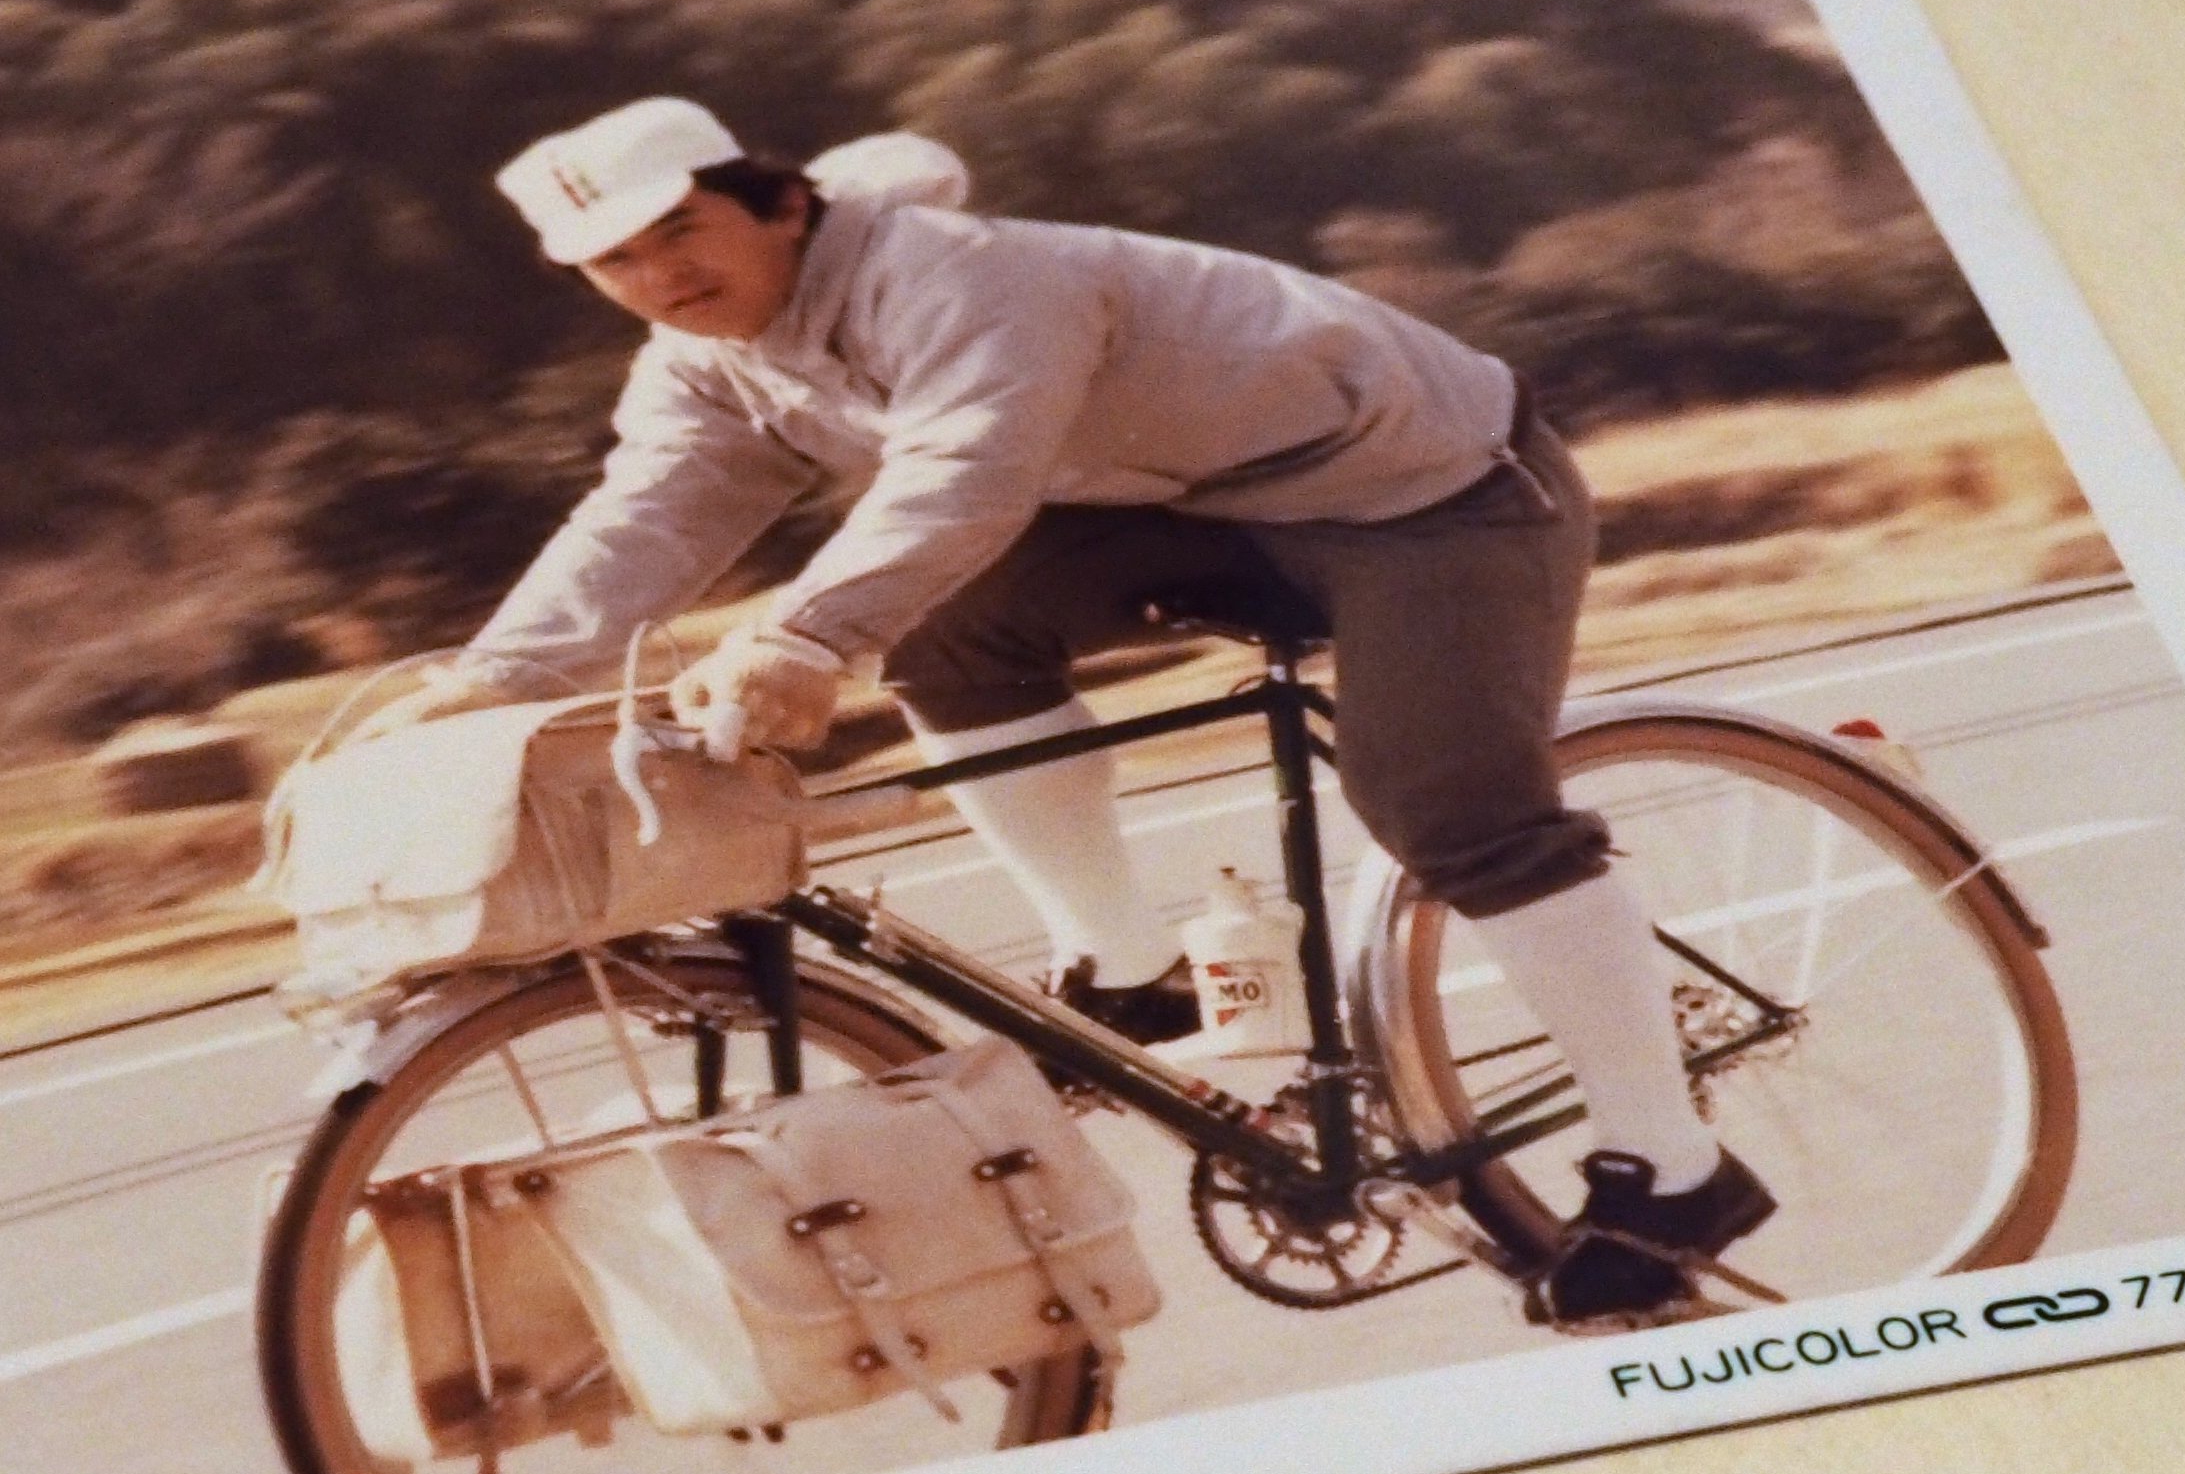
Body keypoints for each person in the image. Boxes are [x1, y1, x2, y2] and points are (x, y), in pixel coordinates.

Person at [395, 95, 1773, 1326]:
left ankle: (1674, 1168)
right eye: (614, 265)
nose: (658, 278)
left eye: (679, 233)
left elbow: (968, 468)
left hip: (1424, 492)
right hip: (1201, 506)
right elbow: (647, 514)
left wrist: (804, 635)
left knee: (1445, 807)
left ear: (780, 203)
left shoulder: (955, 275)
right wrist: (495, 681)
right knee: (949, 636)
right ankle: (1130, 978)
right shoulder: (708, 357)